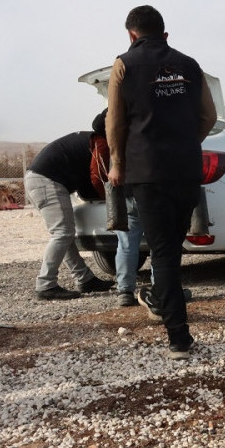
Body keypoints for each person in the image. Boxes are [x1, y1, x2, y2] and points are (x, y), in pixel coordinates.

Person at [106, 5, 217, 360]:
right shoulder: (190, 65)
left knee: (163, 253)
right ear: (165, 34)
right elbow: (209, 117)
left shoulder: (123, 64)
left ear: (131, 35)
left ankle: (179, 339)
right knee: (171, 249)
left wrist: (117, 164)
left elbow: (114, 123)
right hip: (186, 171)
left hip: (147, 172)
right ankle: (167, 314)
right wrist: (187, 143)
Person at [25, 118, 115, 300]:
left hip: (39, 179)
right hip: (47, 181)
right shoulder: (101, 143)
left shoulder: (89, 139)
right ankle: (45, 284)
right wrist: (109, 200)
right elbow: (97, 178)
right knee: (62, 233)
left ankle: (84, 279)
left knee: (65, 235)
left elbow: (86, 178)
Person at [90, 109, 145, 308]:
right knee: (160, 242)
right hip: (153, 186)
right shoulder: (151, 107)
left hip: (127, 186)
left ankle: (125, 291)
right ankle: (160, 289)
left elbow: (97, 124)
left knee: (126, 243)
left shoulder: (118, 113)